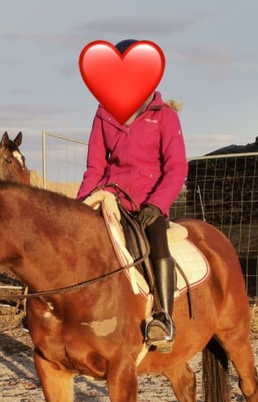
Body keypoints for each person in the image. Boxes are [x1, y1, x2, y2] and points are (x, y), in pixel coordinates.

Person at [77, 39, 188, 351]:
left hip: (147, 203)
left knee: (155, 243)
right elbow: (95, 167)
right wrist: (82, 204)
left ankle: (163, 318)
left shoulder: (164, 116)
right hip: (110, 197)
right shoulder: (103, 115)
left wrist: (158, 203)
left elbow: (177, 168)